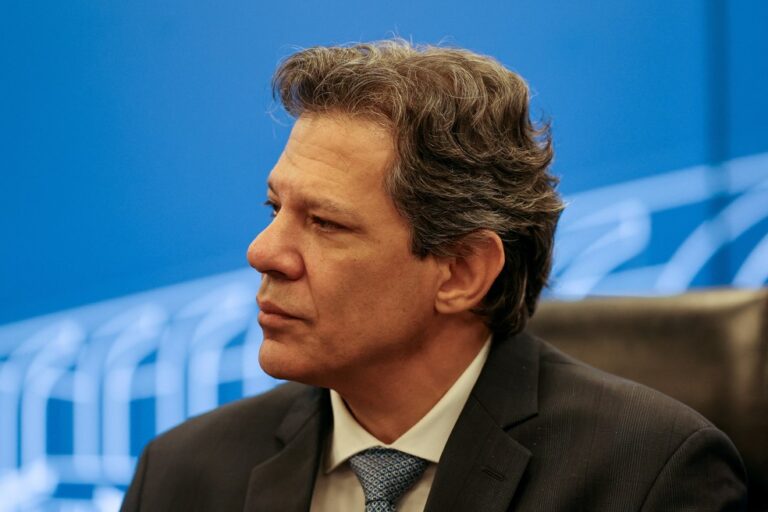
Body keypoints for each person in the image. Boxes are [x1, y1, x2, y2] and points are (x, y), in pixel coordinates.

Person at [120, 40, 747, 511]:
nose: (264, 252)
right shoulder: (182, 475)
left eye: (325, 223)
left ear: (462, 272)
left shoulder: (649, 477)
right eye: (274, 209)